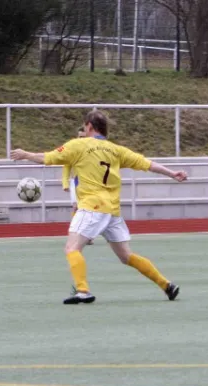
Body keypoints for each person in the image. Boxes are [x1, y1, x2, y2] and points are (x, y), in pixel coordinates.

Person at [11, 110, 187, 305]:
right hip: (112, 210)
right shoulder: (116, 150)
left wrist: (26, 154)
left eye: (85, 127)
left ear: (89, 127)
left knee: (71, 248)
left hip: (92, 207)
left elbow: (48, 158)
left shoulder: (78, 145)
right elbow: (147, 164)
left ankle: (83, 290)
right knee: (127, 256)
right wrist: (172, 173)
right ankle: (166, 285)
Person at [61, 127, 93, 245]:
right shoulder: (72, 150)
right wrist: (65, 183)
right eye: (80, 136)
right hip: (76, 182)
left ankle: (88, 235)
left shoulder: (93, 150)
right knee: (76, 207)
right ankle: (76, 234)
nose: (82, 139)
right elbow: (66, 167)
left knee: (89, 209)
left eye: (84, 137)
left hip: (90, 183)